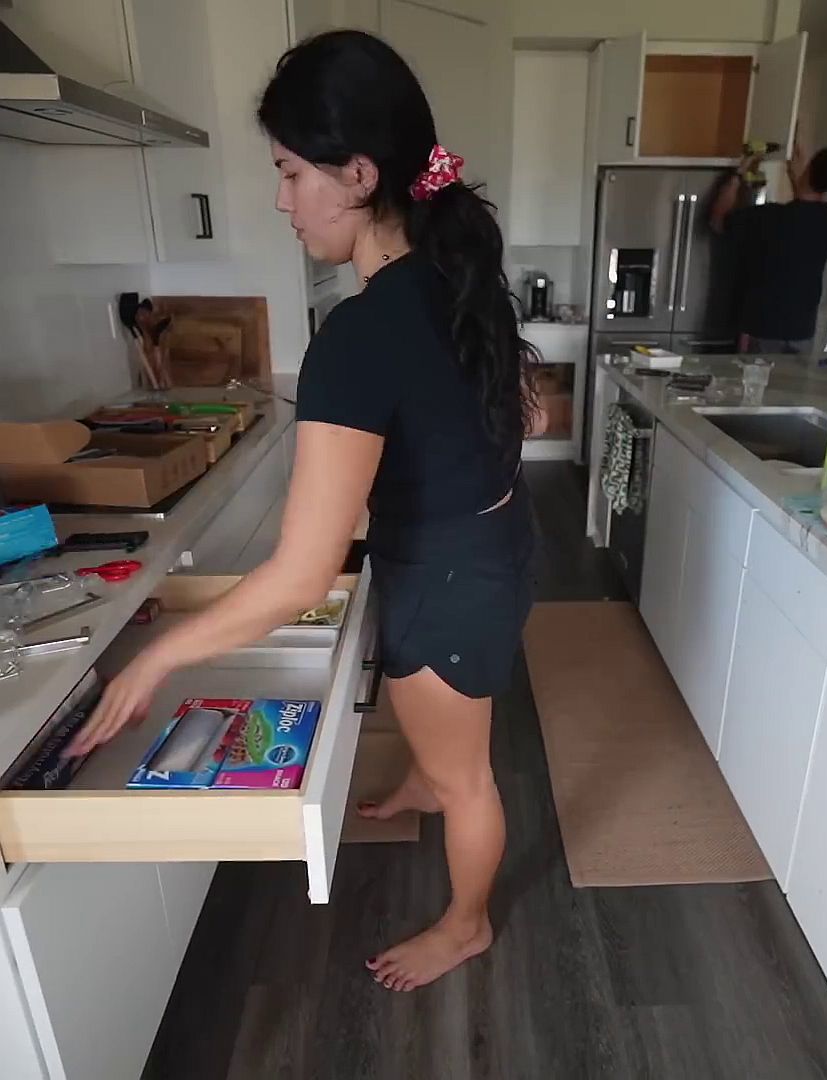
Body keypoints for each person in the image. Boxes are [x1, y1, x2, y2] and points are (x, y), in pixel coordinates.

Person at [69, 30, 543, 991]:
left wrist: (156, 657)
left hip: (451, 576)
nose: (282, 200)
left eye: (290, 173)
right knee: (439, 734)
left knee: (469, 779)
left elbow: (297, 578)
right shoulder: (447, 273)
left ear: (358, 174)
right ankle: (424, 774)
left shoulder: (361, 334)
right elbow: (497, 420)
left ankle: (466, 926)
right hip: (486, 542)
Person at [709, 144, 827, 354]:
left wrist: (737, 174)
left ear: (809, 169)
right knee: (790, 377)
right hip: (801, 330)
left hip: (761, 327)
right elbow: (804, 209)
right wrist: (799, 177)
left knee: (752, 375)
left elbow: (718, 221)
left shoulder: (768, 217)